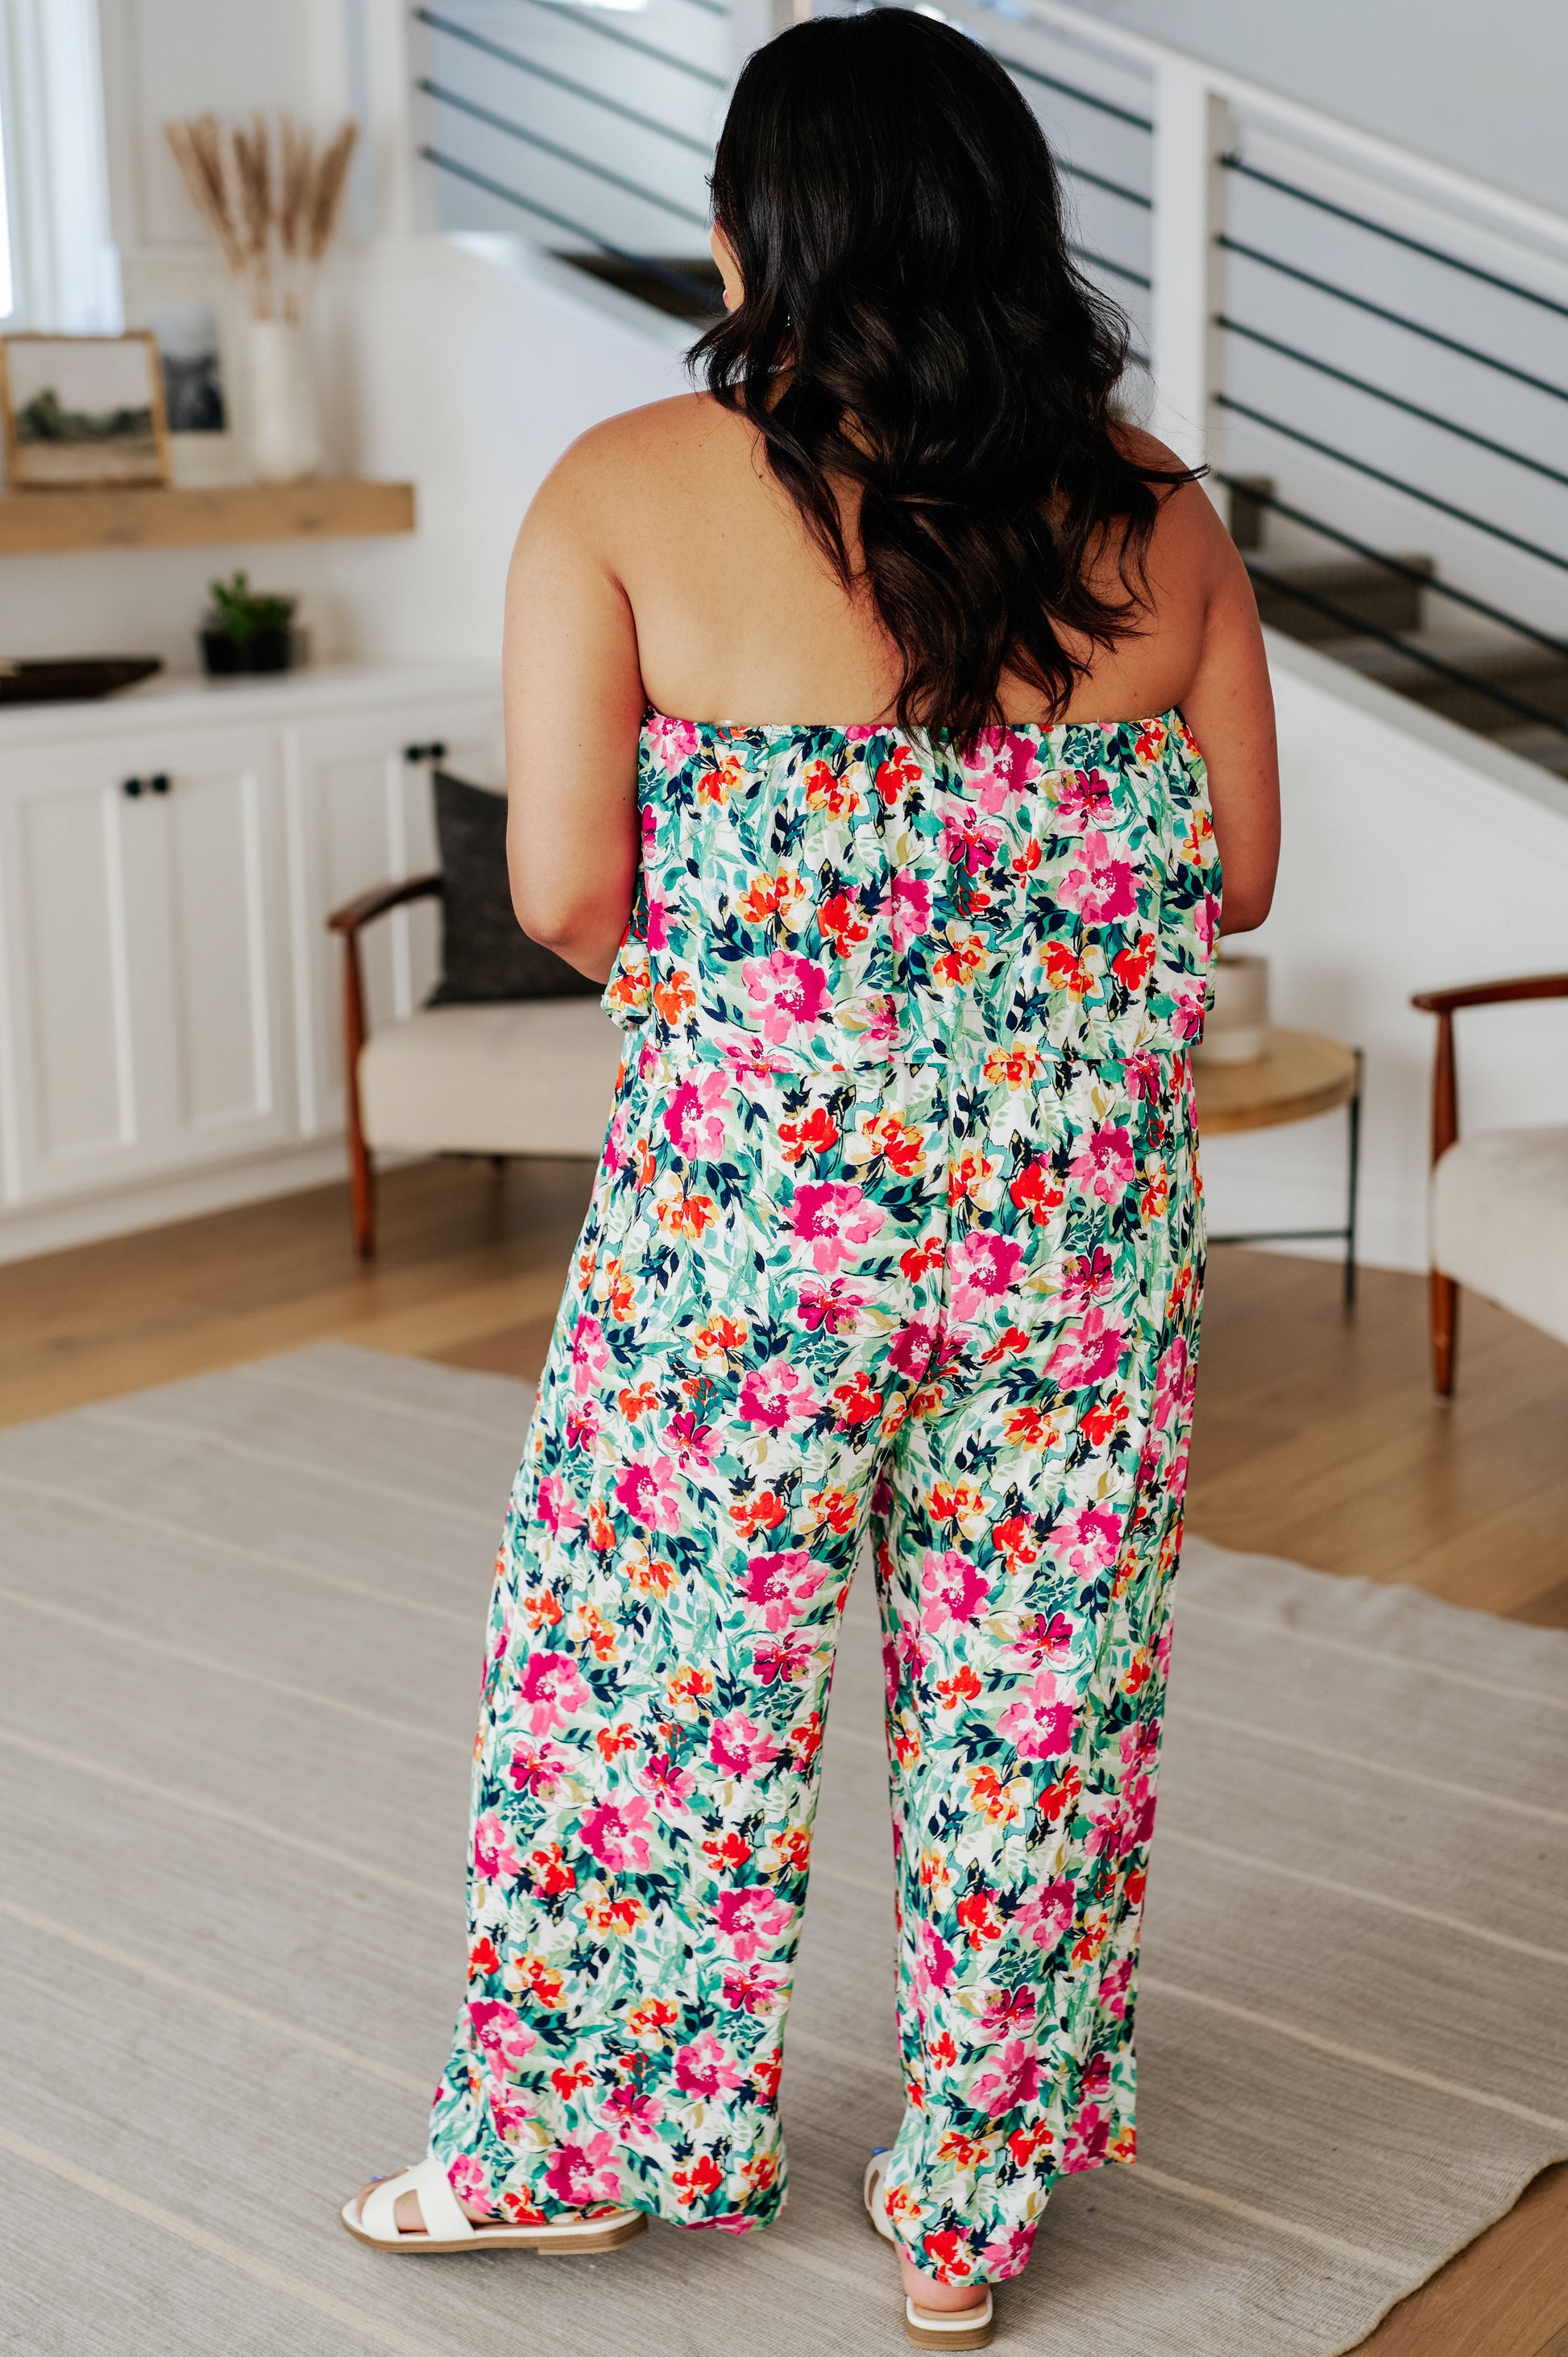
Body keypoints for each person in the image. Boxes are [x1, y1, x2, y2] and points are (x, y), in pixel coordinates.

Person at [342, 10, 1279, 2347]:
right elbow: (1239, 878)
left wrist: (782, 978)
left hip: (749, 1223)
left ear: (762, 230)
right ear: (1008, 220)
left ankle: (575, 2147)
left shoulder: (624, 489)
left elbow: (567, 891)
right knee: (1038, 1697)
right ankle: (969, 2209)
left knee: (651, 1678)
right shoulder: (1160, 512)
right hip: (1075, 1236)